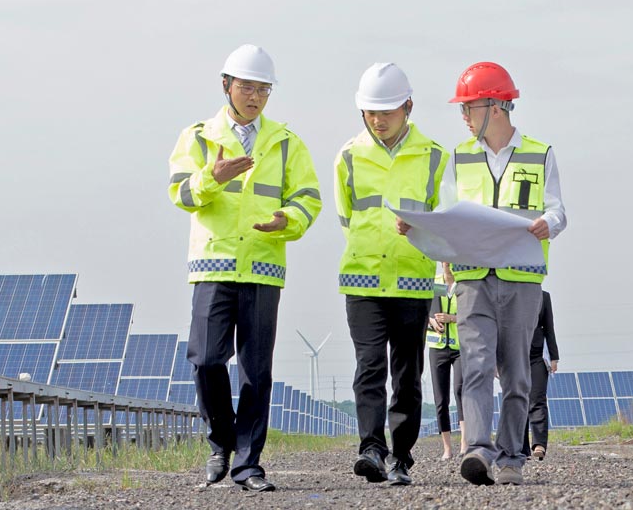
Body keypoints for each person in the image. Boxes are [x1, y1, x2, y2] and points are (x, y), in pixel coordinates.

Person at [170, 44, 322, 493]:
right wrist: (210, 179)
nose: (255, 96)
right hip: (213, 263)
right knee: (206, 359)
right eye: (247, 87)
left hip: (263, 266)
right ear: (226, 86)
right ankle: (221, 442)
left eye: (263, 89)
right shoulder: (198, 137)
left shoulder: (287, 142)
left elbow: (308, 198)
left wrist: (287, 221)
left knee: (257, 370)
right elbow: (179, 193)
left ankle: (248, 464)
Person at [444, 62, 567, 486]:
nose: (463, 116)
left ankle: (512, 455)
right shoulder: (457, 157)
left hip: (522, 278)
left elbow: (558, 210)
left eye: (469, 107)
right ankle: (478, 450)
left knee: (515, 371)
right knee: (475, 365)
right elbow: (448, 214)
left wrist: (548, 224)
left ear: (496, 106)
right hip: (472, 279)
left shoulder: (540, 153)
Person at [335, 63, 447, 487]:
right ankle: (371, 448)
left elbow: (442, 221)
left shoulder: (434, 156)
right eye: (369, 112)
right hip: (362, 280)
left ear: (408, 107)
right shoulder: (348, 155)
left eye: (386, 111)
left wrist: (418, 232)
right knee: (368, 367)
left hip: (413, 283)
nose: (378, 120)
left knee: (406, 374)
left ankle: (401, 456)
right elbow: (347, 217)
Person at [425, 266, 463, 460]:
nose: (446, 264)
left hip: (460, 348)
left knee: (460, 392)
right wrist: (431, 321)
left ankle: (465, 444)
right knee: (441, 400)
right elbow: (421, 310)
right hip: (437, 347)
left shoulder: (463, 283)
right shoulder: (433, 283)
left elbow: (473, 314)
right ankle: (447, 448)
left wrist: (452, 319)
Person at [525, 292, 560, 460]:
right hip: (514, 356)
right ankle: (520, 447)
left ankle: (539, 444)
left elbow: (549, 327)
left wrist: (554, 357)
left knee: (537, 399)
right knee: (517, 400)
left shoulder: (543, 297)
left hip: (538, 356)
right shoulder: (508, 292)